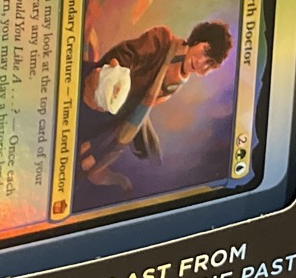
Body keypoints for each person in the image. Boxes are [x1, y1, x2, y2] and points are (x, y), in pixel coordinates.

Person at [79, 20, 234, 184]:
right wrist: (113, 83)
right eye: (205, 52)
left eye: (210, 63)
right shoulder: (162, 39)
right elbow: (126, 55)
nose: (201, 63)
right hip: (93, 90)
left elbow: (137, 111)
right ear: (197, 40)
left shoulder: (175, 85)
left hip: (106, 120)